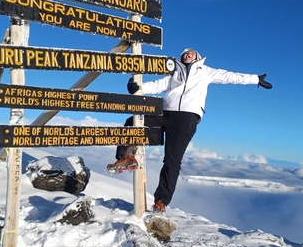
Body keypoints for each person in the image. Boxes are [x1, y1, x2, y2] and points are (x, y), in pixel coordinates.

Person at [107, 48, 272, 213]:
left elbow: (230, 76)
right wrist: (138, 87)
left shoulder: (205, 71)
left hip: (187, 118)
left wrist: (255, 79)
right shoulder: (174, 72)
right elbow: (159, 85)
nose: (188, 54)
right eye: (185, 53)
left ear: (197, 57)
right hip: (165, 112)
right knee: (133, 121)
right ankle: (127, 157)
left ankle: (161, 201)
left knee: (172, 160)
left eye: (191, 53)